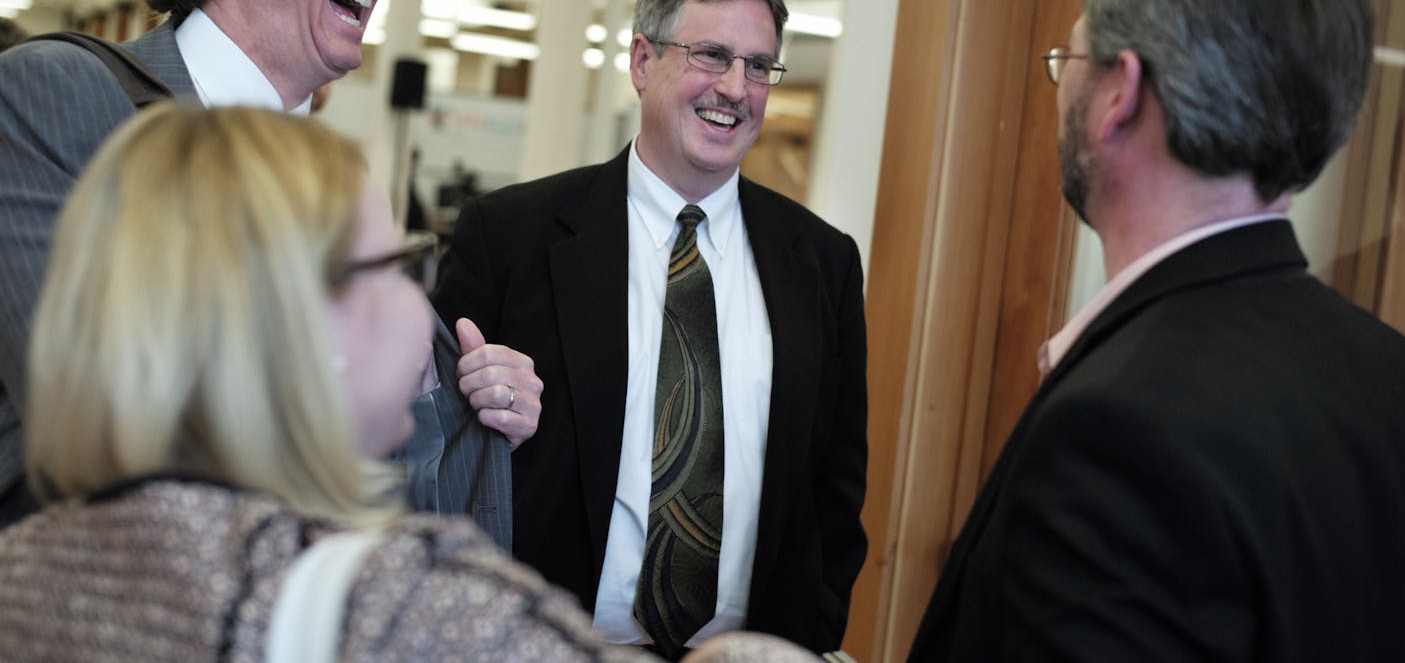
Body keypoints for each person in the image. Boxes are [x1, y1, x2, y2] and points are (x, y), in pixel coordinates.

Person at [0, 103, 824, 663]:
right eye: (397, 264)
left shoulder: (26, 566)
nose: (424, 297)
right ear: (302, 318)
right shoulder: (418, 612)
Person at [908, 0, 1405, 661]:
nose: (1060, 85)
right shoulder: (1387, 369)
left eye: (1069, 56)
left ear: (1121, 92)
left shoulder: (1116, 435)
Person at [0, 0, 539, 528]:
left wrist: (475, 403)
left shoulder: (343, 186)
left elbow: (416, 478)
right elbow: (84, 410)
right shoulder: (60, 94)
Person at [430, 0, 868, 657]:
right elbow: (429, 453)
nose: (736, 87)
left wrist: (809, 635)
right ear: (641, 61)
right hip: (549, 644)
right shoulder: (510, 238)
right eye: (712, 55)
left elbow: (835, 488)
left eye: (759, 66)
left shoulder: (822, 261)